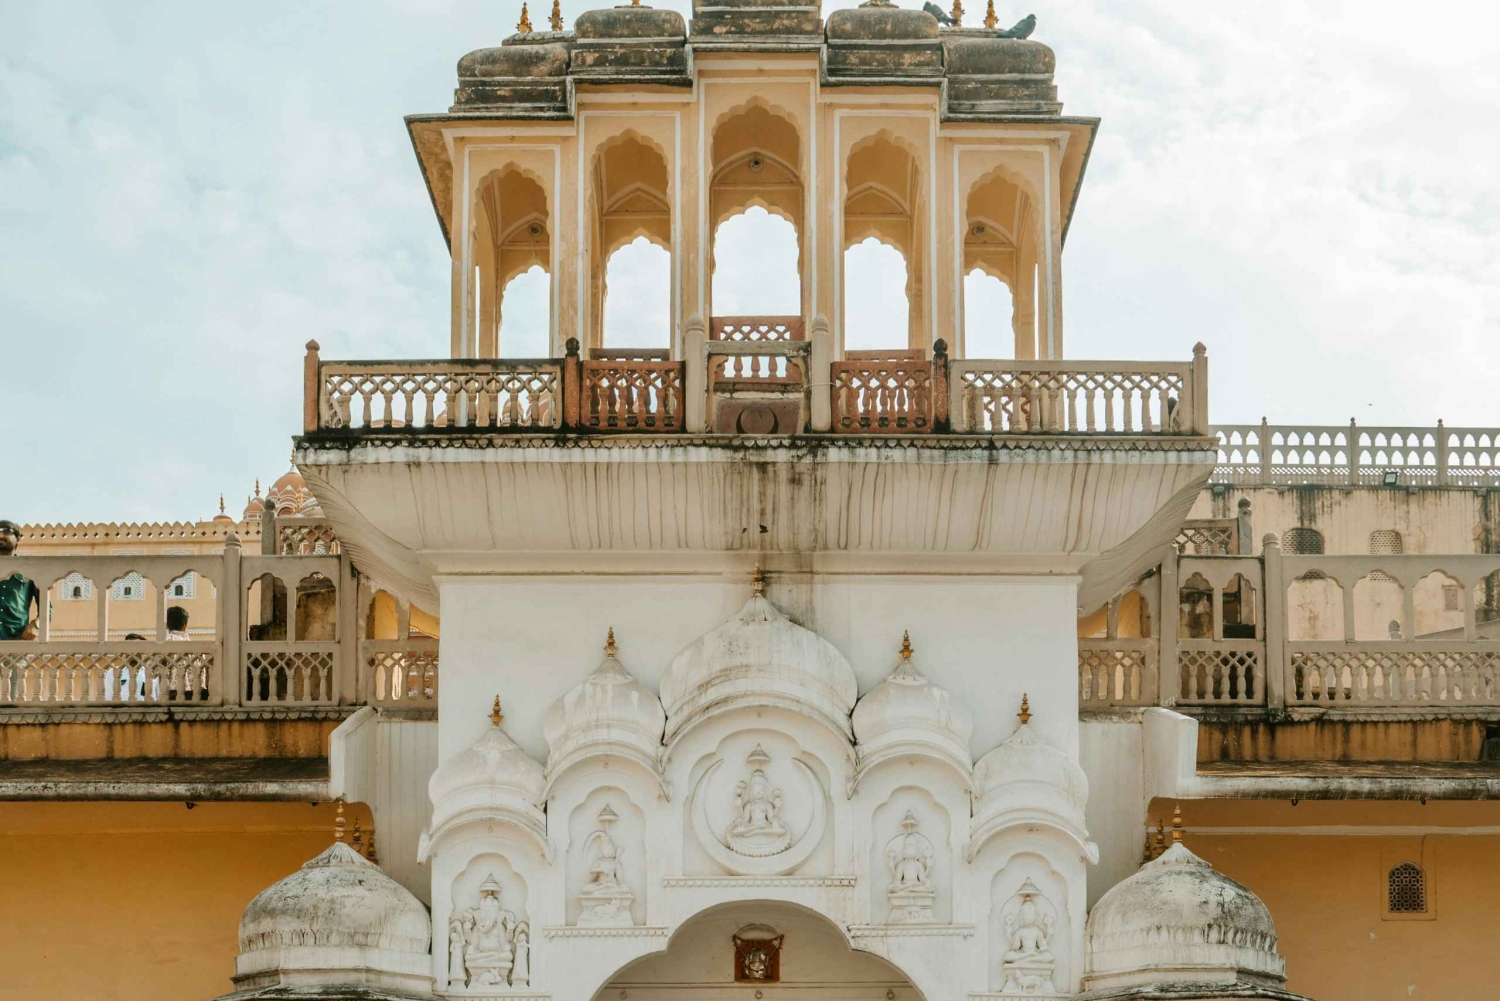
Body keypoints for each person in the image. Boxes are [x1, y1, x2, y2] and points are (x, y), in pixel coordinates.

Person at [0, 520, 40, 641]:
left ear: (17, 538)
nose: (0, 535)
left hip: (16, 642)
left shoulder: (29, 569)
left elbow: (46, 607)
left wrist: (36, 624)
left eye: (6, 531)